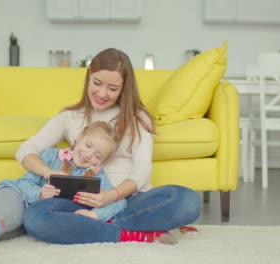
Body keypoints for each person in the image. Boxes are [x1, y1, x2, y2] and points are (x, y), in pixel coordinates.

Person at [19, 48, 201, 245]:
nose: (102, 93)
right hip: (81, 203)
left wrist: (111, 196)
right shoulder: (69, 117)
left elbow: (142, 171)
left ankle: (96, 225)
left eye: (112, 89)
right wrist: (48, 173)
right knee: (35, 217)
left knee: (188, 201)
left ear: (124, 88)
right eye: (97, 83)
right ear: (89, 76)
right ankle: (128, 233)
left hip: (130, 200)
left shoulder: (137, 118)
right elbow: (25, 151)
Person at [0, 121, 126, 264]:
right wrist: (40, 194)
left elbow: (120, 203)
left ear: (103, 160)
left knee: (4, 231)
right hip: (14, 193)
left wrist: (96, 213)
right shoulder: (51, 156)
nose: (88, 154)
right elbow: (25, 183)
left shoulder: (96, 177)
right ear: (80, 137)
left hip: (29, 218)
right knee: (10, 216)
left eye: (97, 154)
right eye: (88, 145)